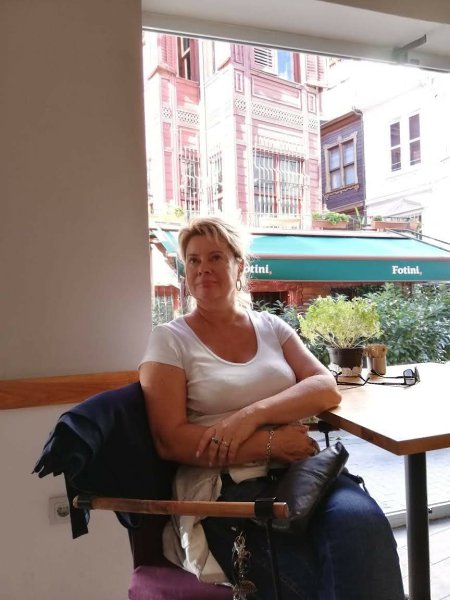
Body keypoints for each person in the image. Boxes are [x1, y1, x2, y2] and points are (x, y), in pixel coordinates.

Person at [139, 216, 405, 600]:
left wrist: (251, 416)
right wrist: (269, 444)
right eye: (193, 260)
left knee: (364, 529)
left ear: (238, 265)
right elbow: (170, 440)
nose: (203, 268)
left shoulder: (270, 326)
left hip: (302, 473)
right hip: (224, 488)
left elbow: (324, 387)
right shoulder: (170, 339)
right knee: (312, 581)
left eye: (215, 257)